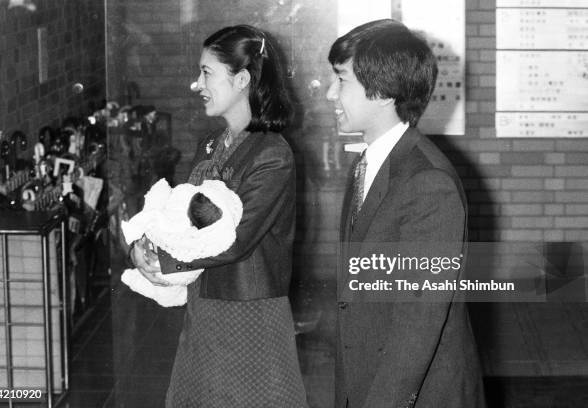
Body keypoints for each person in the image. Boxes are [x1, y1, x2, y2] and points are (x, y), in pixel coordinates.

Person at [130, 24, 308, 407]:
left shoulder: (272, 155)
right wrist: (142, 247)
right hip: (205, 310)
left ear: (242, 79)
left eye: (206, 72)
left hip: (250, 316)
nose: (197, 84)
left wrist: (162, 261)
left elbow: (235, 239)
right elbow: (180, 219)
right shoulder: (210, 145)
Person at [327, 20, 485, 407]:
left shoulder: (428, 183)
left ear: (381, 91)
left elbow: (417, 324)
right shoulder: (368, 163)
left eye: (342, 80)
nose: (331, 93)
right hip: (366, 373)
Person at [121, 179, 242, 307]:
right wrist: (137, 249)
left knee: (166, 291)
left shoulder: (196, 215)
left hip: (218, 288)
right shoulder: (200, 227)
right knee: (167, 293)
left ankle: (139, 280)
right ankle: (139, 280)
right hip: (168, 267)